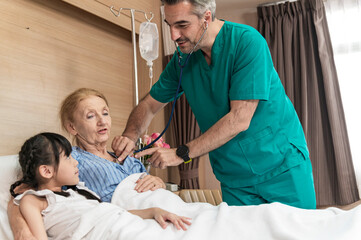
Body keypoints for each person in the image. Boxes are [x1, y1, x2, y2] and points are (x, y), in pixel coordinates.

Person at [114, 0, 316, 209]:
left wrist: (179, 153)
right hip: (234, 177)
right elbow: (148, 104)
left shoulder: (247, 42)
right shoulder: (183, 59)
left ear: (207, 18)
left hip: (280, 166)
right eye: (169, 25)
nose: (174, 36)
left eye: (182, 25)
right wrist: (130, 135)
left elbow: (239, 119)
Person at [7, 88, 166, 240]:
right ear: (72, 127)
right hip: (125, 225)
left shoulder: (129, 159)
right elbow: (21, 194)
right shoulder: (68, 162)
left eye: (105, 113)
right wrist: (21, 230)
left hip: (158, 214)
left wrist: (159, 183)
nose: (102, 120)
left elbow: (156, 195)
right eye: (91, 116)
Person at [10, 132, 191, 240]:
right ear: (46, 171)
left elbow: (111, 213)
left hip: (125, 224)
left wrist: (152, 211)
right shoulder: (34, 200)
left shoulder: (81, 192)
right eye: (67, 157)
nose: (76, 163)